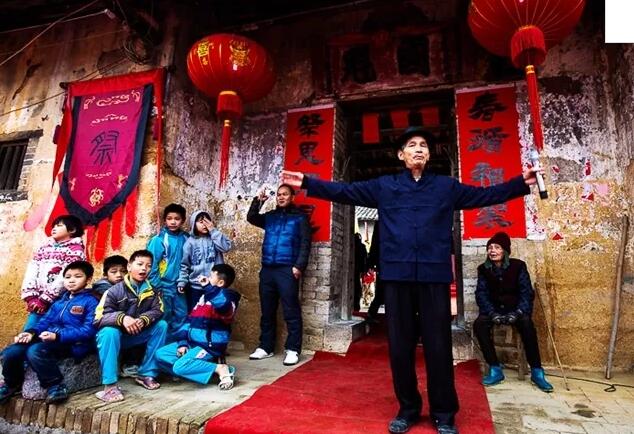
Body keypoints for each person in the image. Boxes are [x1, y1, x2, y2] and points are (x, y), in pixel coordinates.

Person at [281, 126, 541, 434]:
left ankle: (444, 413)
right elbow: (345, 192)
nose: (419, 149)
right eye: (412, 145)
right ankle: (408, 408)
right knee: (401, 347)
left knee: (438, 345)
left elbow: (484, 195)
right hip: (397, 276)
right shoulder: (385, 186)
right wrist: (307, 182)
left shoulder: (445, 187)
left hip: (434, 275)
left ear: (428, 155)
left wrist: (521, 182)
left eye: (424, 145)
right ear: (401, 155)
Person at [0, 261, 99, 404]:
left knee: (35, 350)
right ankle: (11, 384)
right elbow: (45, 322)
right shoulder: (59, 302)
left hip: (73, 343)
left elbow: (89, 330)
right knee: (11, 351)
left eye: (77, 276)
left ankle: (56, 386)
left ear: (88, 279)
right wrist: (31, 333)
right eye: (68, 277)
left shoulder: (91, 301)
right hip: (49, 338)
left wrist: (58, 336)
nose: (71, 280)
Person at [473, 231, 553, 392]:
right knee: (479, 324)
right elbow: (481, 294)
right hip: (494, 310)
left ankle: (537, 371)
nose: (492, 251)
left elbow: (526, 292)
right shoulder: (483, 269)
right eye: (490, 248)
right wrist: (491, 313)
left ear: (505, 251)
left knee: (527, 324)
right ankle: (495, 368)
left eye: (497, 247)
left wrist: (518, 312)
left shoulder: (518, 266)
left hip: (515, 309)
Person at [246, 184, 312, 366]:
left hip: (287, 269)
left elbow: (305, 243)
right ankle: (265, 347)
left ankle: (293, 349)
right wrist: (258, 201)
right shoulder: (270, 217)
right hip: (268, 269)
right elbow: (251, 217)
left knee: (291, 310)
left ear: (292, 197)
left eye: (285, 194)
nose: (281, 197)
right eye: (279, 195)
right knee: (267, 310)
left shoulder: (300, 218)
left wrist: (299, 266)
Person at [93, 249, 167, 402]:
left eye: (148, 266)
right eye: (139, 264)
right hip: (116, 337)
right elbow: (99, 318)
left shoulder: (152, 291)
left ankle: (146, 374)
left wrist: (144, 319)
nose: (144, 269)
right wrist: (122, 318)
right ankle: (110, 386)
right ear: (129, 266)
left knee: (161, 325)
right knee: (108, 332)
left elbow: (158, 310)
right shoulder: (114, 291)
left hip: (135, 334)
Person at [156, 264, 240, 390]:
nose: (208, 278)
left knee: (179, 367)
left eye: (211, 276)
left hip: (208, 346)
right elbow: (189, 320)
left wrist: (208, 287)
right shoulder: (204, 298)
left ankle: (221, 368)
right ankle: (205, 370)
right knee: (160, 355)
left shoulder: (228, 297)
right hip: (193, 343)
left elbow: (223, 307)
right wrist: (183, 343)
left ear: (221, 282)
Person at [20, 215, 86, 330]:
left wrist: (46, 298)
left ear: (72, 230)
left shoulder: (75, 251)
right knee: (29, 330)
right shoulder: (44, 248)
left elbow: (66, 277)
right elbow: (32, 270)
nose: (54, 228)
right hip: (37, 300)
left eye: (59, 226)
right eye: (53, 226)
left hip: (60, 299)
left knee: (51, 331)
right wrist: (31, 297)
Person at [178, 210, 233, 311]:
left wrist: (213, 230)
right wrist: (182, 281)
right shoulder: (189, 243)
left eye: (207, 222)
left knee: (216, 312)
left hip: (215, 286)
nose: (204, 225)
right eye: (200, 222)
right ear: (193, 224)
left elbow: (225, 248)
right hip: (196, 287)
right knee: (196, 312)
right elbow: (185, 265)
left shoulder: (215, 238)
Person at [147, 203, 189, 337]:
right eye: (169, 218)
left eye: (177, 219)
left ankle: (179, 343)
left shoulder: (186, 239)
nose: (173, 222)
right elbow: (151, 264)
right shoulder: (159, 239)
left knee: (182, 314)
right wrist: (156, 285)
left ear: (183, 220)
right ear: (165, 220)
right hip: (163, 285)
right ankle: (164, 343)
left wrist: (184, 281)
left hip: (180, 285)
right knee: (165, 315)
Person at [366, 225, 384, 324]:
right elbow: (375, 244)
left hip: (386, 262)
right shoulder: (380, 224)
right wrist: (371, 263)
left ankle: (372, 313)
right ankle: (372, 313)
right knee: (381, 290)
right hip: (384, 262)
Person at [353, 232, 367, 311]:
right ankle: (356, 305)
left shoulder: (354, 246)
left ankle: (355, 305)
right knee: (357, 287)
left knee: (357, 286)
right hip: (358, 269)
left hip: (356, 268)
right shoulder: (362, 246)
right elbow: (364, 259)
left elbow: (364, 259)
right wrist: (364, 270)